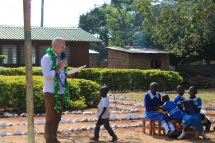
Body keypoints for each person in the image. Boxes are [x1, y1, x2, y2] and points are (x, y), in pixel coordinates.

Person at [41, 37, 75, 143]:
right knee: (50, 118)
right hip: (50, 92)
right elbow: (47, 75)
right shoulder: (46, 58)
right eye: (62, 47)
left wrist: (67, 74)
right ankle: (49, 139)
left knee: (57, 118)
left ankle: (54, 138)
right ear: (55, 46)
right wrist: (59, 67)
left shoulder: (59, 58)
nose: (64, 49)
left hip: (61, 91)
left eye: (64, 47)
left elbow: (60, 74)